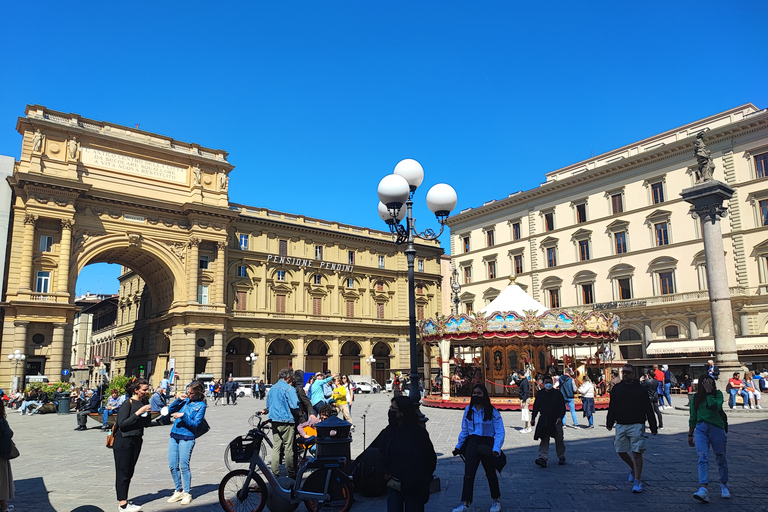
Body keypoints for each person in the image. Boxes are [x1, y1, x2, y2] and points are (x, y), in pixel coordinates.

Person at [451, 384, 504, 512]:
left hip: (487, 443)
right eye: (474, 393)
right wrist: (459, 446)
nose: (476, 395)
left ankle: (496, 501)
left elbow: (500, 431)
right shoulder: (468, 409)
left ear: (484, 395)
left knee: (490, 474)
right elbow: (464, 430)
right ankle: (465, 503)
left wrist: (496, 448)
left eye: (479, 393)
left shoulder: (492, 412)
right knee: (468, 474)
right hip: (472, 443)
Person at [606, 364, 658, 494]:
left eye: (628, 372)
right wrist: (609, 421)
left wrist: (653, 425)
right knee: (621, 451)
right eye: (623, 372)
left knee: (637, 452)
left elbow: (648, 408)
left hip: (637, 424)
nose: (625, 374)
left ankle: (637, 480)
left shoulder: (641, 389)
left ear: (633, 374)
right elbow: (612, 406)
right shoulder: (617, 389)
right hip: (621, 424)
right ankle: (633, 468)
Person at [381, 396, 437, 512]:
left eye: (393, 408)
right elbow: (382, 451)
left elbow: (430, 458)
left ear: (402, 412)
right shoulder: (389, 431)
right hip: (393, 484)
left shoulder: (419, 433)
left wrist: (423, 480)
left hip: (414, 486)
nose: (390, 411)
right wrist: (384, 470)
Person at [688, 374, 730, 502]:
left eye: (710, 383)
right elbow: (693, 416)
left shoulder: (718, 395)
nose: (708, 385)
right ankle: (703, 487)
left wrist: (708, 393)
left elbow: (715, 407)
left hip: (716, 427)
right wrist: (690, 434)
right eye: (705, 383)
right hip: (701, 429)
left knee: (720, 456)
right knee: (702, 457)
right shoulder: (695, 398)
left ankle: (724, 484)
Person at [113, 378, 152, 512]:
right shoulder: (127, 403)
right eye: (144, 390)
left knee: (129, 471)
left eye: (147, 389)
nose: (147, 392)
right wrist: (138, 413)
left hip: (137, 439)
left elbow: (146, 423)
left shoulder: (145, 402)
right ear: (136, 390)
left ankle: (125, 499)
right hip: (124, 440)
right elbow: (122, 423)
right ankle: (123, 504)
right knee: (122, 471)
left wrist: (148, 414)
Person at [166, 381, 208, 506]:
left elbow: (195, 424)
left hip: (187, 437)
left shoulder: (201, 406)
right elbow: (170, 410)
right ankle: (178, 490)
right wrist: (178, 400)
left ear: (197, 393)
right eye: (187, 392)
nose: (188, 394)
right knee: (172, 465)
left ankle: (187, 492)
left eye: (190, 393)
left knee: (184, 466)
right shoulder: (185, 401)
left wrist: (183, 415)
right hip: (174, 435)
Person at [263, 368, 299, 479]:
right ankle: (291, 472)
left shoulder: (272, 388)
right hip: (287, 420)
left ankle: (274, 473)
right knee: (288, 448)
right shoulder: (289, 389)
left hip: (274, 421)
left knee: (276, 447)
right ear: (288, 377)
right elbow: (294, 406)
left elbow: (268, 406)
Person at [532, 375, 566, 468]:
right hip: (545, 419)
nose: (548, 384)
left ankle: (561, 456)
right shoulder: (540, 394)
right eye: (546, 382)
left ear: (552, 383)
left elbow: (562, 407)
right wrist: (533, 418)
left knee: (559, 439)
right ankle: (542, 458)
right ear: (543, 384)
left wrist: (560, 417)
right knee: (544, 438)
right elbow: (536, 406)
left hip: (556, 420)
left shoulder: (558, 394)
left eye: (550, 382)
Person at [0, 399, 15, 512]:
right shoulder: (1, 420)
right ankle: (3, 506)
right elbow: (9, 433)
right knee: (2, 481)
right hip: (1, 455)